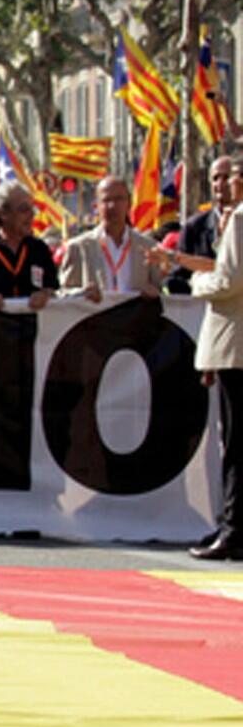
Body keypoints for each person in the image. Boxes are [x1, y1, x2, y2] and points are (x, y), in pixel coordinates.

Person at [156, 162, 243, 557]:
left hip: (235, 344)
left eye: (234, 174)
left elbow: (228, 281)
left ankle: (233, 529)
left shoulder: (239, 219)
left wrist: (196, 283)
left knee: (235, 443)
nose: (227, 183)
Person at [59, 177, 164, 302]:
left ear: (129, 203)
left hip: (136, 319)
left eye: (119, 199)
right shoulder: (78, 247)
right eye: (106, 200)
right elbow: (62, 295)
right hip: (95, 319)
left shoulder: (148, 247)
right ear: (96, 206)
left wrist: (154, 292)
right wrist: (81, 293)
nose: (112, 205)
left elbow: (160, 291)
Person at [0, 181, 57, 310]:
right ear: (3, 214)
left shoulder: (40, 250)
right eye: (24, 209)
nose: (32, 215)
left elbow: (53, 287)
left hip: (35, 327)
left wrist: (46, 293)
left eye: (32, 209)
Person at [171, 156, 235, 293]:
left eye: (226, 177)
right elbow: (180, 276)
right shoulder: (194, 227)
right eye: (215, 178)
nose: (220, 184)